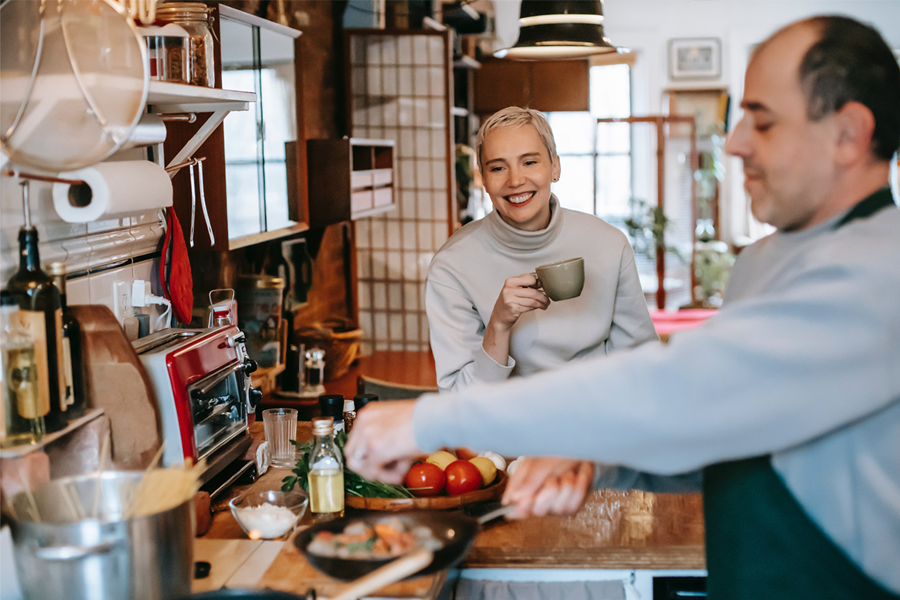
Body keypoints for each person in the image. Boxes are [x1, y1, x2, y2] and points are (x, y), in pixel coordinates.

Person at [347, 15, 900, 600]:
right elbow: (715, 435)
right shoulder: (761, 263)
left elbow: (685, 385)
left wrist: (427, 420)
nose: (734, 142)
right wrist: (590, 456)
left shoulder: (879, 273)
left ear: (848, 134)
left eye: (761, 121)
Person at [426, 106, 657, 392]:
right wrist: (498, 324)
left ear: (555, 166)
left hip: (598, 424)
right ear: (484, 180)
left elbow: (641, 363)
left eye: (529, 162)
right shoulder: (452, 266)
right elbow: (457, 401)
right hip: (508, 432)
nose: (515, 180)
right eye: (498, 168)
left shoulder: (608, 243)